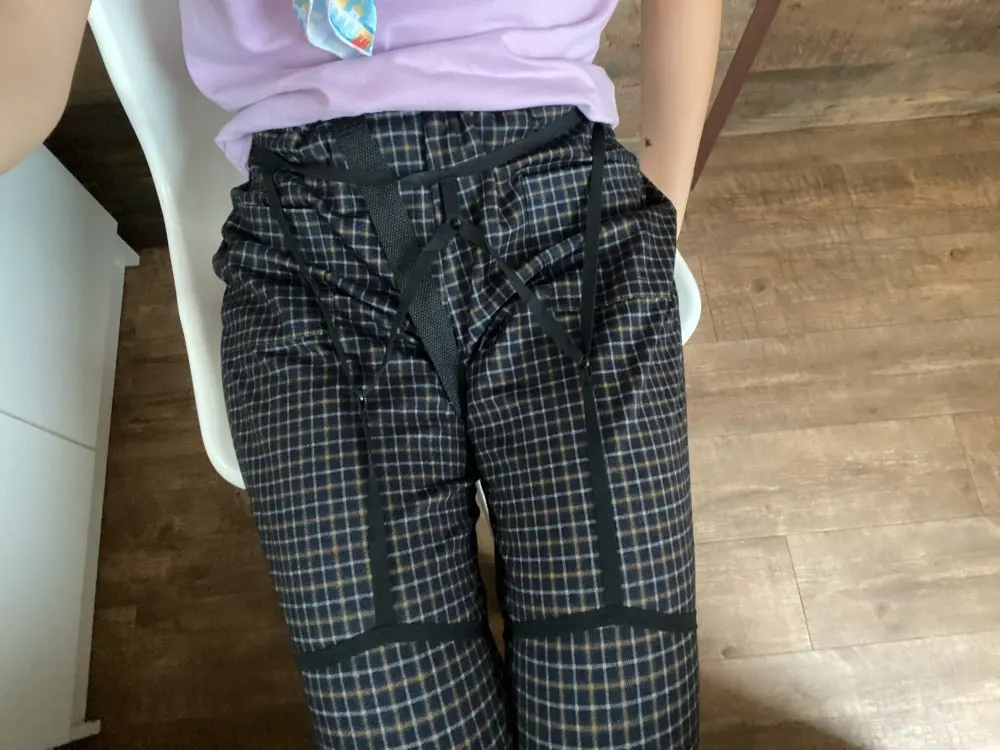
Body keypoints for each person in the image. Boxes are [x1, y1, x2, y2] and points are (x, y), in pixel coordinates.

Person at [1, 1, 721, 746]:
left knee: (623, 715)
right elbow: (23, 46)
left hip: (558, 199)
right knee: (397, 724)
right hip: (310, 247)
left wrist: (658, 209)